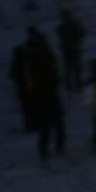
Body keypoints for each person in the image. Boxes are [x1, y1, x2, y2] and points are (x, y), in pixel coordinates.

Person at [24, 26, 65, 160]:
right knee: (55, 120)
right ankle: (57, 145)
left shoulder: (30, 54)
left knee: (46, 123)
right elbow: (53, 69)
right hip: (47, 91)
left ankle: (46, 147)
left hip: (42, 93)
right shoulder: (43, 53)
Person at [8, 43, 36, 132]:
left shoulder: (17, 63)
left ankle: (29, 124)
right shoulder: (24, 63)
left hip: (22, 91)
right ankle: (32, 124)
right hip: (27, 90)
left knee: (27, 109)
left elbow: (11, 75)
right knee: (30, 108)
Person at [57, 10, 85, 93]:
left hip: (68, 50)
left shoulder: (63, 26)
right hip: (73, 49)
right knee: (74, 68)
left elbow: (58, 32)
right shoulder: (74, 24)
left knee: (69, 69)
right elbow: (82, 34)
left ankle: (71, 86)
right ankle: (76, 85)